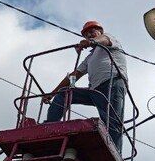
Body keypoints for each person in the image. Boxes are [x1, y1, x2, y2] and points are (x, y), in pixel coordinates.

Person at [42, 21, 128, 152]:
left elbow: (103, 40)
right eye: (87, 35)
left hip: (113, 84)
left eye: (92, 32)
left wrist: (92, 42)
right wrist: (53, 93)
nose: (89, 35)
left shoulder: (109, 39)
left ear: (100, 31)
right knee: (64, 93)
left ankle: (115, 155)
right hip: (95, 91)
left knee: (112, 123)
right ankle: (48, 128)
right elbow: (74, 75)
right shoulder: (90, 57)